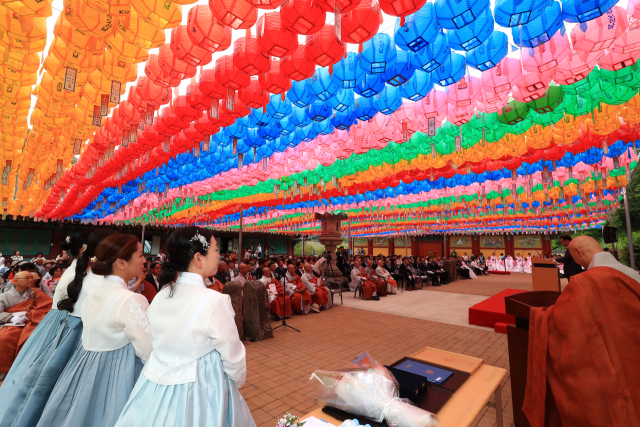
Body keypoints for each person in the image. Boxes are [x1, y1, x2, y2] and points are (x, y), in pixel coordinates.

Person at [115, 227, 254, 427]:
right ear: (198, 259)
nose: (219, 256)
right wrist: (231, 386)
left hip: (154, 388)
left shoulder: (161, 295)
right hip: (202, 389)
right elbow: (234, 358)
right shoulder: (215, 301)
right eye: (215, 250)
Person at [523, 236, 640, 427]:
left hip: (608, 356)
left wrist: (540, 315)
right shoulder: (631, 273)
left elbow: (564, 318)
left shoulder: (585, 281)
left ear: (577, 252)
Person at [38, 234, 152, 427]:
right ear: (121, 262)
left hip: (83, 367)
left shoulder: (93, 294)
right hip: (119, 373)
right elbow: (148, 351)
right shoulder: (130, 299)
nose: (145, 260)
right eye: (140, 255)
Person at [0, 271, 53, 381]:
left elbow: (48, 306)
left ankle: (31, 370)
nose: (31, 280)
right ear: (16, 281)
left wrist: (33, 313)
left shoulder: (37, 293)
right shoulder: (5, 296)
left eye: (32, 278)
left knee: (41, 336)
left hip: (33, 321)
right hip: (12, 324)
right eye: (27, 278)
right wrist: (11, 318)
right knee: (5, 338)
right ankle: (5, 370)